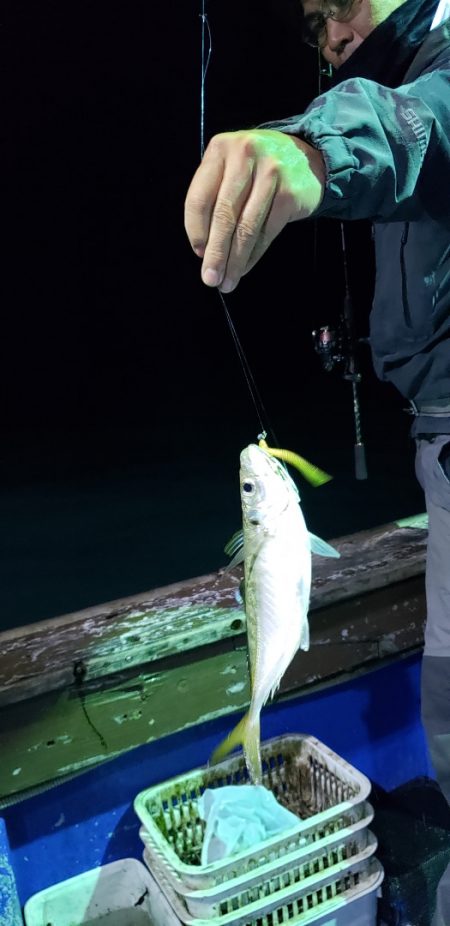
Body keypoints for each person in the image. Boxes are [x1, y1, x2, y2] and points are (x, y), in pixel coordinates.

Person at [184, 0, 450, 921]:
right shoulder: (400, 66)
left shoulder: (429, 74)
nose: (330, 33)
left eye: (336, 5)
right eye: (313, 27)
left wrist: (310, 148)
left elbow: (421, 124)